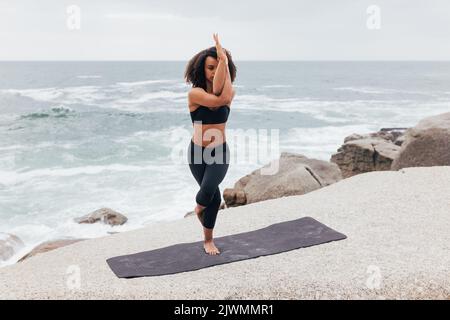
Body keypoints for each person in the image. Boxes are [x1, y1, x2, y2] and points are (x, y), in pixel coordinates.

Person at [184, 33, 237, 255]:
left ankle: (198, 208)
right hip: (197, 152)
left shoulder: (230, 90)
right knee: (213, 198)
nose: (213, 71)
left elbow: (222, 94)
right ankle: (208, 240)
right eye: (210, 67)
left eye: (217, 67)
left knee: (207, 192)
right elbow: (216, 98)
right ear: (201, 70)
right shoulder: (194, 93)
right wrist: (222, 60)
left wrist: (224, 61)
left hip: (219, 152)